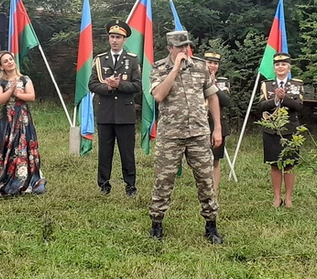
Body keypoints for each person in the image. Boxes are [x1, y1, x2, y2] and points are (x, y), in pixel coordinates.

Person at [149, 31, 224, 244]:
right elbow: (158, 96)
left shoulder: (200, 67)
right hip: (170, 135)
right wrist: (174, 69)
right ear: (169, 49)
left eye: (186, 46)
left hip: (199, 133)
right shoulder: (158, 68)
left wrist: (217, 127)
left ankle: (211, 226)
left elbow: (212, 96)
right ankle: (157, 224)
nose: (183, 50)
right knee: (164, 180)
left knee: (205, 180)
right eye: (179, 47)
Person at [0, 50, 46, 197]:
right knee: (6, 147)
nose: (9, 62)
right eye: (6, 61)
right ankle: (6, 178)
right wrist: (11, 89)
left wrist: (18, 93)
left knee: (22, 146)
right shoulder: (0, 82)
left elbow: (31, 96)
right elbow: (0, 100)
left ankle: (26, 179)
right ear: (1, 66)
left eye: (10, 59)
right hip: (6, 119)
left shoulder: (25, 79)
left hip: (22, 117)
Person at [88, 19, 141, 196]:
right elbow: (92, 85)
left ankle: (130, 185)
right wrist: (109, 87)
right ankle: (104, 184)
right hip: (105, 112)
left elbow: (137, 86)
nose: (115, 40)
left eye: (118, 37)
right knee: (105, 151)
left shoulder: (132, 60)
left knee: (127, 153)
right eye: (112, 37)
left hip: (125, 113)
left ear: (124, 40)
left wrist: (119, 85)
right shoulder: (100, 60)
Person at [257, 53, 304, 208]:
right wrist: (275, 100)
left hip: (290, 129)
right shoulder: (267, 85)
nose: (280, 67)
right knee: (275, 164)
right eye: (277, 65)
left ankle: (288, 198)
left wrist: (285, 99)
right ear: (274, 68)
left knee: (289, 164)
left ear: (289, 67)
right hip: (272, 130)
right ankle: (277, 197)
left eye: (284, 64)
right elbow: (261, 106)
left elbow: (299, 107)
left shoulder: (296, 84)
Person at [203, 51, 231, 193]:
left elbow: (226, 101)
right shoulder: (196, 79)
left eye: (215, 63)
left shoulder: (223, 82)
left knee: (215, 159)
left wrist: (213, 85)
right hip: (200, 123)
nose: (212, 65)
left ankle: (214, 189)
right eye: (209, 62)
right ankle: (203, 188)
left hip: (217, 124)